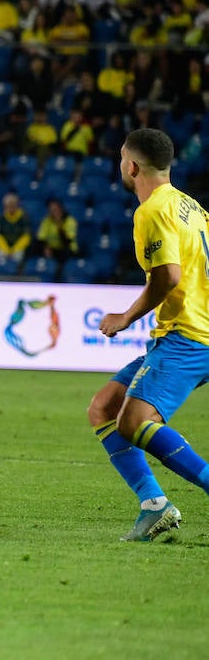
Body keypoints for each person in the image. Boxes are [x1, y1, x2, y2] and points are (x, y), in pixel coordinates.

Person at [86, 128, 209, 541]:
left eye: (122, 159)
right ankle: (155, 505)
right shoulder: (191, 206)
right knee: (104, 408)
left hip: (187, 335)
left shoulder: (152, 209)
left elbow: (168, 277)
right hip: (190, 331)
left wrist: (126, 317)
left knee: (134, 421)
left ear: (132, 165)